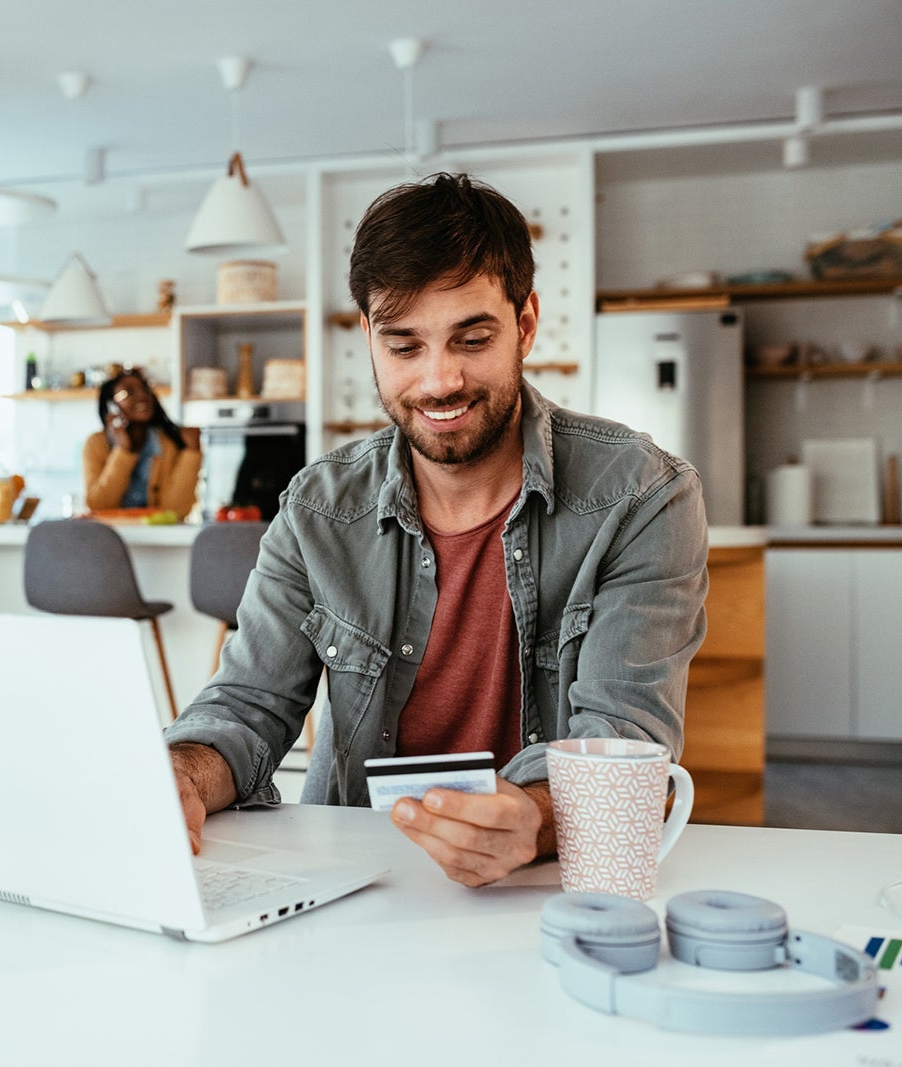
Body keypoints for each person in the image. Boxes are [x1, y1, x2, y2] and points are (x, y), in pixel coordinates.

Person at [163, 172, 708, 887]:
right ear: (368, 338)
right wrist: (180, 775)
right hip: (350, 882)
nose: (439, 380)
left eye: (471, 338)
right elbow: (245, 707)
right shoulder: (316, 508)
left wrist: (535, 818)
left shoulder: (641, 496)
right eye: (404, 346)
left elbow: (624, 741)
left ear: (525, 323)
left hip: (541, 887)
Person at [82, 367, 202, 518]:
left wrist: (192, 453)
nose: (142, 396)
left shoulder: (169, 444)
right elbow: (98, 505)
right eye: (128, 392)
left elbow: (175, 512)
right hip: (110, 531)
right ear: (112, 406)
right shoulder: (96, 444)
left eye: (145, 389)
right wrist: (123, 450)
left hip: (156, 531)